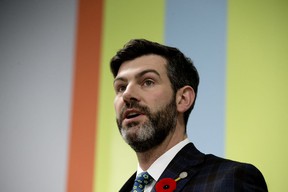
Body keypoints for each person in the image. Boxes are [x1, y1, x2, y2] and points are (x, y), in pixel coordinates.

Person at [110, 39, 268, 192]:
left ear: (183, 99)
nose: (127, 94)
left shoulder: (231, 180)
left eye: (148, 81)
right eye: (121, 87)